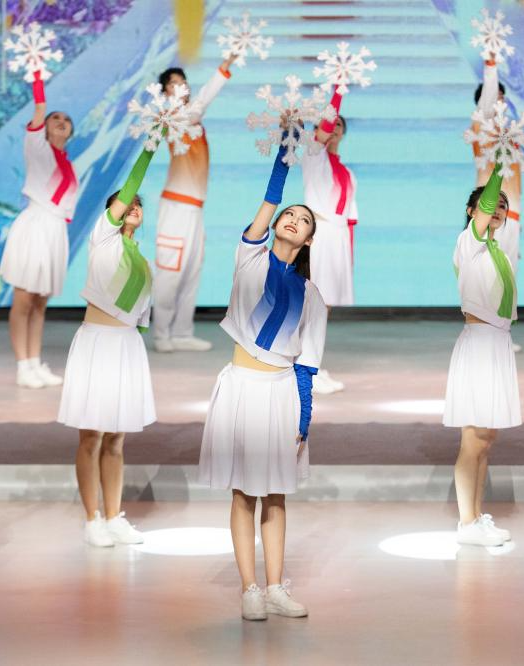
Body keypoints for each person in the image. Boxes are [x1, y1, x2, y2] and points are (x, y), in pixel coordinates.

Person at [197, 139, 327, 621]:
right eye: (288, 215)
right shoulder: (250, 258)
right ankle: (249, 588)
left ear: (309, 240)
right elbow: (270, 200)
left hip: (281, 394)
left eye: (303, 220)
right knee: (243, 492)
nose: (292, 220)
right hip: (241, 388)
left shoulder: (312, 296)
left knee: (276, 492)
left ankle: (275, 587)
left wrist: (304, 422)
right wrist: (284, 155)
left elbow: (308, 364)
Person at [57, 144, 158, 547]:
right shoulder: (104, 238)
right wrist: (149, 149)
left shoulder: (142, 260)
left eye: (139, 205)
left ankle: (114, 516)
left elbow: (140, 315)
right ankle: (91, 518)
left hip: (126, 348)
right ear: (112, 213)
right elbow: (131, 184)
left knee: (117, 439)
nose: (133, 206)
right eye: (126, 202)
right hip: (97, 345)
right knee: (92, 436)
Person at [444, 163, 520, 547]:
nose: (498, 209)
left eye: (504, 206)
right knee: (473, 438)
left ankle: (476, 517)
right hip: (479, 345)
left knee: (487, 439)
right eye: (491, 205)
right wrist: (499, 166)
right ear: (473, 212)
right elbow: (488, 202)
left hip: (498, 345)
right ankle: (466, 522)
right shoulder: (468, 243)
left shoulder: (498, 250)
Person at [151, 55, 237, 353]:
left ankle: (182, 332)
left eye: (183, 82)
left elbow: (198, 107)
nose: (181, 87)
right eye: (174, 84)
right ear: (165, 92)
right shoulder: (174, 118)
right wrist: (224, 68)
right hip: (175, 208)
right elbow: (200, 104)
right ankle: (162, 334)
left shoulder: (192, 119)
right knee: (170, 271)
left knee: (191, 270)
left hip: (194, 209)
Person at [0, 69, 77, 387]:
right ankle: (22, 366)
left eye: (66, 120)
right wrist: (37, 76)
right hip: (35, 227)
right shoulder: (38, 149)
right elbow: (39, 110)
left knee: (41, 302)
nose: (60, 121)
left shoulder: (68, 163)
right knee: (24, 299)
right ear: (43, 128)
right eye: (54, 118)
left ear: (71, 132)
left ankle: (34, 362)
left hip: (55, 232)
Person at [300, 90, 358, 394]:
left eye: (339, 126)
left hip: (337, 240)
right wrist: (339, 88)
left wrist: (348, 259)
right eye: (330, 125)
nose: (334, 130)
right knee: (313, 304)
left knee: (325, 308)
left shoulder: (347, 173)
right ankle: (304, 369)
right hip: (319, 234)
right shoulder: (314, 155)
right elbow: (324, 125)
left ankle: (312, 365)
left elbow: (350, 220)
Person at [472, 51, 523, 351]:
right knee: (487, 278)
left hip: (511, 219)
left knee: (507, 279)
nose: (499, 103)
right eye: (495, 98)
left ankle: (501, 334)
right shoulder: (481, 131)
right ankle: (483, 334)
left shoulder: (510, 139)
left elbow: (516, 186)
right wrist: (491, 66)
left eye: (503, 98)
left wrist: (518, 222)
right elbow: (487, 103)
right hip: (490, 218)